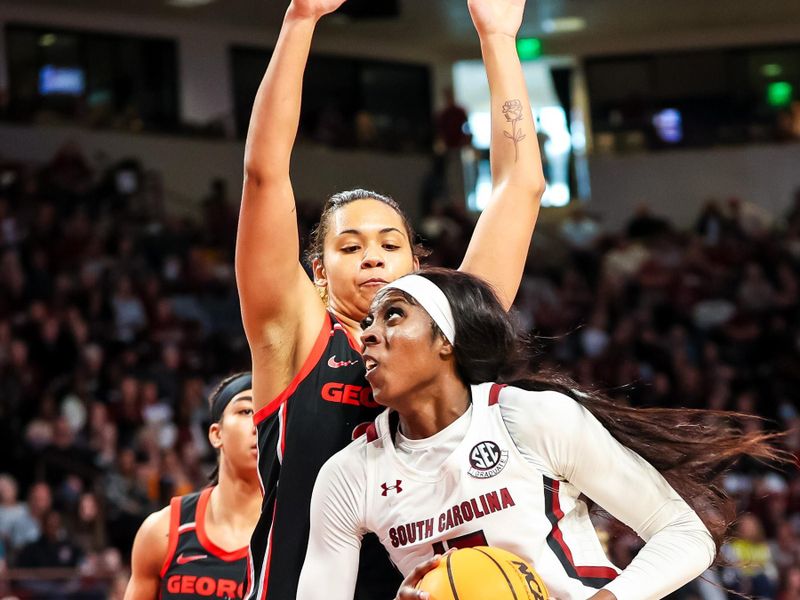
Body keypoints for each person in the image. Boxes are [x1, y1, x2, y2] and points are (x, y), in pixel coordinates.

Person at [235, 0, 545, 598]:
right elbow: (265, 175)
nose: (373, 257)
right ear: (318, 274)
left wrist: (499, 38)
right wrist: (300, 20)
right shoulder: (297, 335)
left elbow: (520, 186)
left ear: (416, 265)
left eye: (389, 244)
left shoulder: (448, 325)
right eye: (350, 248)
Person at [297, 268, 782, 600]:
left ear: (446, 340)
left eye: (393, 315)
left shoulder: (527, 418)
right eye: (366, 323)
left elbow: (684, 533)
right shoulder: (349, 475)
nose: (368, 334)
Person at [125, 373, 260, 600]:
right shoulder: (163, 531)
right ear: (217, 434)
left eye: (270, 413)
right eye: (246, 411)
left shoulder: (296, 535)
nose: (259, 422)